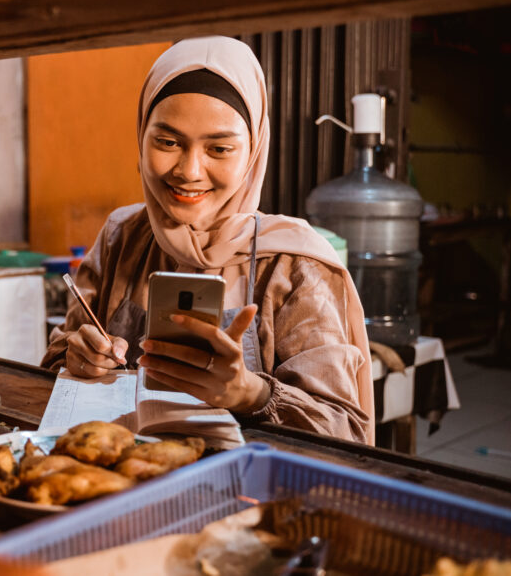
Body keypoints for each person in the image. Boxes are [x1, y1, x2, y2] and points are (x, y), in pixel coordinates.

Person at [42, 36, 374, 444]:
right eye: (167, 142)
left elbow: (344, 430)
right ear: (141, 135)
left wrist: (252, 393)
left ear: (253, 152)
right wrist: (78, 355)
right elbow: (60, 353)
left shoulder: (294, 264)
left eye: (219, 148)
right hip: (121, 476)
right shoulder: (122, 235)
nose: (189, 171)